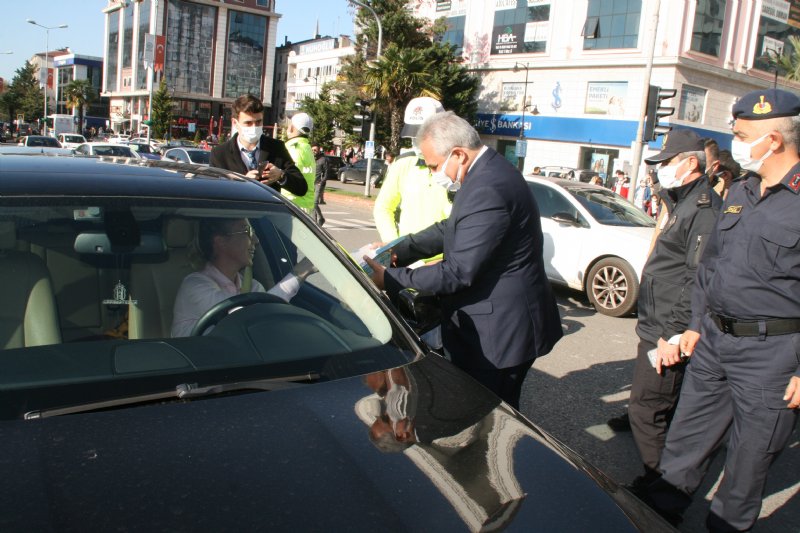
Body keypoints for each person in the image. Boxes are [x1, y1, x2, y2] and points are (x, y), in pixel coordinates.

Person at [642, 89, 800, 531]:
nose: (735, 143)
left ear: (773, 140)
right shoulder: (741, 192)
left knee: (748, 465)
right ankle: (656, 516)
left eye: (743, 134)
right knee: (684, 444)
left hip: (773, 355)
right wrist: (695, 325)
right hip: (713, 341)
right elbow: (711, 267)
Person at [364, 111, 563, 409]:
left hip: (499, 335)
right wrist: (399, 249)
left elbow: (458, 272)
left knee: (488, 416)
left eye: (433, 166)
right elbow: (451, 229)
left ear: (458, 154)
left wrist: (392, 278)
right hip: (498, 323)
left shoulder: (488, 188)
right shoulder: (486, 174)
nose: (432, 175)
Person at [622, 129, 722, 493]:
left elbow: (699, 278)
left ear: (690, 163)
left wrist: (673, 334)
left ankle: (660, 487)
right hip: (656, 324)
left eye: (666, 162)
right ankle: (662, 480)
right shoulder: (683, 201)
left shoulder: (703, 210)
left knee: (647, 408)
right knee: (655, 405)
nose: (660, 169)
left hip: (667, 330)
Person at [170, 218, 312, 337]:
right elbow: (245, 314)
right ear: (220, 241)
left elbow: (264, 324)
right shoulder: (194, 285)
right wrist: (298, 274)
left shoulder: (254, 286)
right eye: (247, 231)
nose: (256, 240)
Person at [373, 97, 452, 250]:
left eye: (423, 135)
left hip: (444, 262)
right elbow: (383, 207)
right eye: (414, 136)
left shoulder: (455, 166)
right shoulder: (403, 164)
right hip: (408, 258)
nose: (417, 141)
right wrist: (393, 245)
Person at [210, 94, 307, 198]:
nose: (254, 127)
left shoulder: (276, 147)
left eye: (258, 122)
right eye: (248, 123)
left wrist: (280, 175)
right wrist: (241, 183)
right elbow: (213, 192)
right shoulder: (220, 153)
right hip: (235, 212)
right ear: (235, 122)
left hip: (267, 212)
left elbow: (301, 188)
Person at [282, 113, 316, 213]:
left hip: (290, 203)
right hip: (306, 205)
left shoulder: (291, 148)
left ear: (291, 128)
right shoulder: (307, 149)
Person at [311, 145, 330, 226]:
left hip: (319, 184)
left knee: (314, 203)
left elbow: (326, 173)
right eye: (312, 150)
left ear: (319, 150)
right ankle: (314, 222)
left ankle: (321, 218)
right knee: (311, 204)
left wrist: (321, 182)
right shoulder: (311, 159)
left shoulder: (323, 159)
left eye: (315, 150)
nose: (313, 151)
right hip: (311, 183)